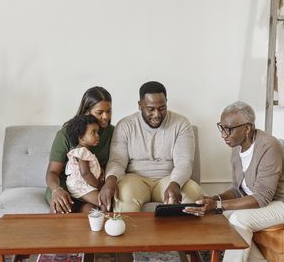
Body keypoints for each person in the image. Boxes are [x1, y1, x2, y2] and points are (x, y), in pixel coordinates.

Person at [183, 101, 284, 262]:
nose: (223, 134)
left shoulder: (268, 146)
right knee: (218, 218)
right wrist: (215, 199)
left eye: (228, 129)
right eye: (221, 127)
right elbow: (238, 190)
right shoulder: (237, 148)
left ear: (247, 128)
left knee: (238, 220)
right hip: (270, 200)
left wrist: (218, 206)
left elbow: (262, 197)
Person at [99, 81, 203, 212]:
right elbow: (117, 161)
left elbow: (184, 162)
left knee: (193, 194)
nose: (157, 114)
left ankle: (177, 233)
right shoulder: (125, 125)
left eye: (162, 108)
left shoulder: (181, 123)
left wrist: (175, 183)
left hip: (169, 178)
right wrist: (110, 182)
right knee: (123, 197)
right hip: (135, 179)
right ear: (140, 105)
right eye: (151, 109)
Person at [45, 86, 114, 213]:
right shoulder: (67, 133)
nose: (106, 117)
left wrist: (103, 170)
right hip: (65, 185)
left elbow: (116, 161)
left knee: (93, 213)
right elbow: (52, 172)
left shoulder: (112, 132)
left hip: (90, 187)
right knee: (62, 209)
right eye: (100, 112)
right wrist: (56, 190)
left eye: (109, 111)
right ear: (87, 112)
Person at [65, 114, 107, 212]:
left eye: (98, 132)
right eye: (93, 133)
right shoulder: (81, 152)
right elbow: (85, 173)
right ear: (82, 137)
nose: (97, 135)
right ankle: (107, 223)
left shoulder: (86, 151)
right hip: (80, 185)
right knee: (104, 201)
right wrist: (99, 186)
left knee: (101, 202)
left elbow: (92, 168)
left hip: (85, 184)